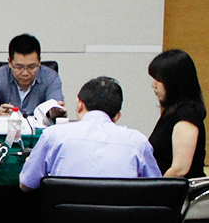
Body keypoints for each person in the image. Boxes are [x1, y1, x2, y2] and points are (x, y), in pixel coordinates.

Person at [19, 76, 161, 191]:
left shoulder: (53, 135)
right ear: (117, 116)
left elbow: (26, 184)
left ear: (80, 105)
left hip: (66, 218)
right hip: (121, 218)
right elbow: (157, 190)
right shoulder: (138, 142)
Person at [147, 49, 207, 179]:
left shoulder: (187, 115)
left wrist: (154, 188)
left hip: (178, 189)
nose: (154, 85)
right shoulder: (172, 111)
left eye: (158, 80)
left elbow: (180, 169)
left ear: (173, 82)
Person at [0, 33, 65, 117]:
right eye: (19, 67)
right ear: (10, 62)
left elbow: (56, 108)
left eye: (31, 67)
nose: (25, 73)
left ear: (39, 61)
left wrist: (56, 112)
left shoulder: (51, 77)